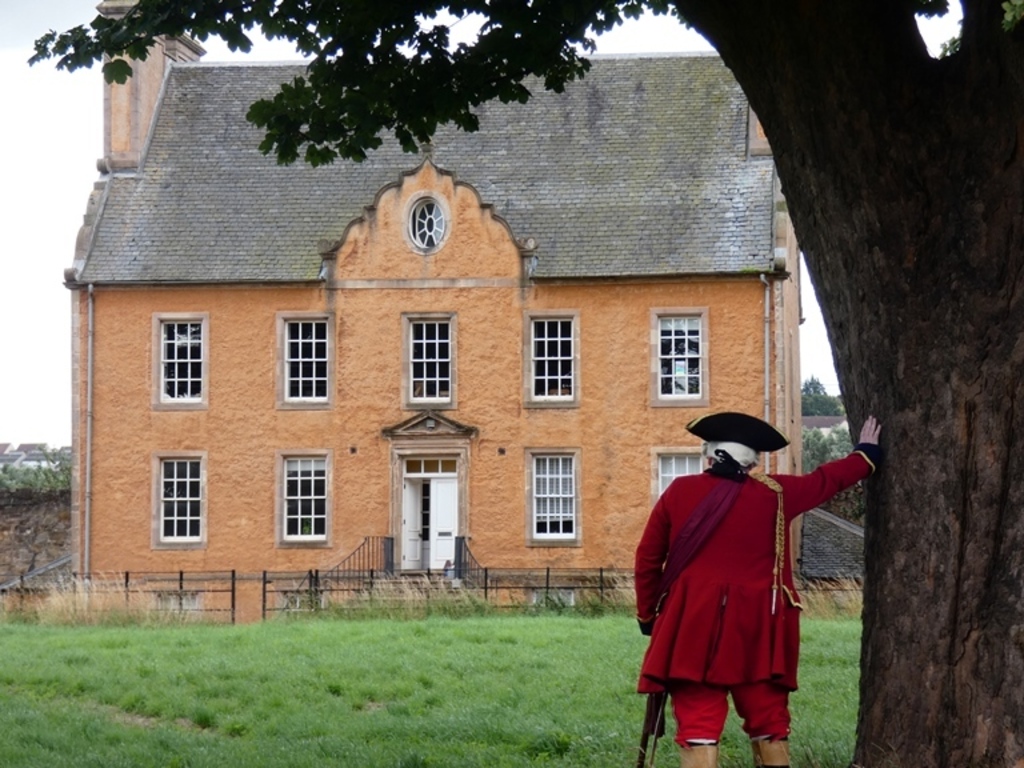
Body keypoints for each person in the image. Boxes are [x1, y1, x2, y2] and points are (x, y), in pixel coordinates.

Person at [634, 411, 882, 768]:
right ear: (752, 462)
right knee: (768, 719)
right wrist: (865, 455)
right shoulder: (777, 494)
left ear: (710, 455)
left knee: (698, 719)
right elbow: (826, 480)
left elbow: (647, 560)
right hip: (758, 628)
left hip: (691, 625)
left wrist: (647, 616)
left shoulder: (679, 491)